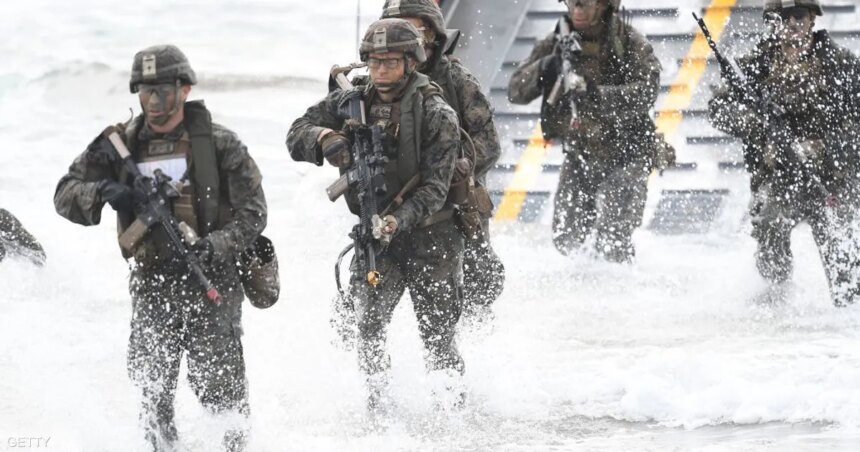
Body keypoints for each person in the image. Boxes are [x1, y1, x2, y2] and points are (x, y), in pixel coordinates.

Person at [54, 44, 267, 450]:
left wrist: (215, 245)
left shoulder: (219, 143)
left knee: (222, 396)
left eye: (162, 91)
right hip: (151, 284)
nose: (153, 102)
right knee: (153, 394)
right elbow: (64, 193)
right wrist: (103, 192)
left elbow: (254, 214)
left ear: (185, 89)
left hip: (211, 281)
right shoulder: (120, 144)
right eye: (144, 91)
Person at [287, 19, 466, 412]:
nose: (380, 70)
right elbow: (297, 131)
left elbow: (435, 190)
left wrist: (396, 221)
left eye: (390, 62)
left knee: (438, 337)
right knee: (367, 328)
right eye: (374, 61)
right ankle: (378, 408)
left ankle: (451, 415)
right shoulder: (351, 101)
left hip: (431, 239)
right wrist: (325, 138)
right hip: (375, 236)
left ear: (411, 62)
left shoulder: (436, 113)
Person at [708, 0, 860, 306]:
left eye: (798, 16)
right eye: (782, 17)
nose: (791, 24)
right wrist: (758, 126)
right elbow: (718, 109)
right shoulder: (757, 65)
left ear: (812, 19)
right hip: (780, 177)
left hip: (832, 179)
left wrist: (825, 145)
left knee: (845, 258)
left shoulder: (840, 63)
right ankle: (778, 299)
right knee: (769, 230)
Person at [507, 0, 662, 262]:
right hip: (580, 155)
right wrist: (545, 67)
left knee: (612, 242)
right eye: (572, 3)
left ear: (603, 5)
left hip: (626, 154)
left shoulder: (628, 41)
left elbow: (647, 92)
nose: (577, 10)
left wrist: (597, 95)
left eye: (585, 4)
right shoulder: (557, 42)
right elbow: (515, 91)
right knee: (566, 238)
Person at [381, 0, 504, 316]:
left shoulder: (456, 79)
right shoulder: (377, 85)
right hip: (397, 208)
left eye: (412, 29)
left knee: (477, 287)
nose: (403, 38)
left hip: (455, 204)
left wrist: (447, 170)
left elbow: (488, 145)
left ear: (433, 34)